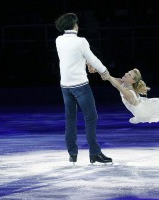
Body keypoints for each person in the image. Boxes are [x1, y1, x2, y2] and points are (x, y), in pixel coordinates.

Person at [55, 13, 112, 164]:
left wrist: (87, 63)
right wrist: (104, 71)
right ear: (75, 25)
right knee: (91, 117)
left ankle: (72, 154)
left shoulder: (59, 40)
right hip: (80, 85)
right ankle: (94, 153)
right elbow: (91, 57)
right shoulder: (81, 41)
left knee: (70, 120)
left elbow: (73, 56)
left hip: (65, 86)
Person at [88, 65, 159, 124]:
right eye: (127, 73)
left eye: (129, 74)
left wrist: (105, 76)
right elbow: (109, 76)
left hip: (142, 110)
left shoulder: (128, 92)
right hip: (141, 107)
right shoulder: (124, 82)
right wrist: (96, 70)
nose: (126, 74)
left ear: (132, 81)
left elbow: (115, 84)